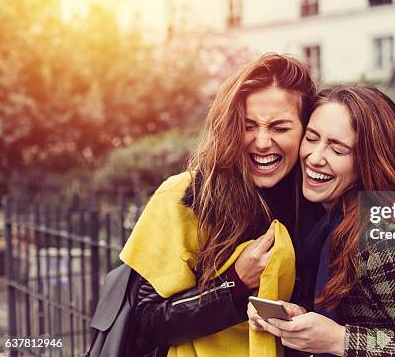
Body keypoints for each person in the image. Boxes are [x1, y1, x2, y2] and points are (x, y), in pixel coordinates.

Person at [249, 85, 395, 356]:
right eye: (312, 138)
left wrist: (339, 340)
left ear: (368, 161)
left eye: (337, 149)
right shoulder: (331, 221)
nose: (314, 158)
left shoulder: (385, 238)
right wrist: (298, 319)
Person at [120, 53, 324, 356]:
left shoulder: (319, 201)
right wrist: (234, 283)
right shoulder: (185, 196)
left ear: (305, 132)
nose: (262, 141)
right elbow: (147, 321)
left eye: (280, 128)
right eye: (248, 125)